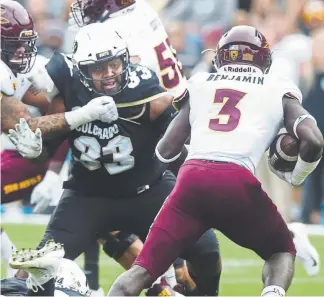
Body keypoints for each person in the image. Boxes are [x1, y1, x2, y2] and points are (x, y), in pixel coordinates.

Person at [107, 25, 324, 297]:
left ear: (220, 56)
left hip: (191, 181)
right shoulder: (278, 86)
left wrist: (199, 167)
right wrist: (297, 177)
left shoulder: (199, 83)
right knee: (281, 251)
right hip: (237, 182)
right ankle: (273, 292)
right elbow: (314, 139)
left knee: (138, 274)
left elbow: (165, 150)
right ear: (264, 58)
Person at [8, 23, 221, 296]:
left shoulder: (144, 88)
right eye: (99, 69)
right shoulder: (69, 88)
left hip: (149, 190)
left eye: (115, 64)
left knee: (206, 247)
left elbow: (173, 142)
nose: (109, 74)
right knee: (39, 267)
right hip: (88, 197)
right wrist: (35, 150)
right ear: (82, 69)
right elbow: (46, 147)